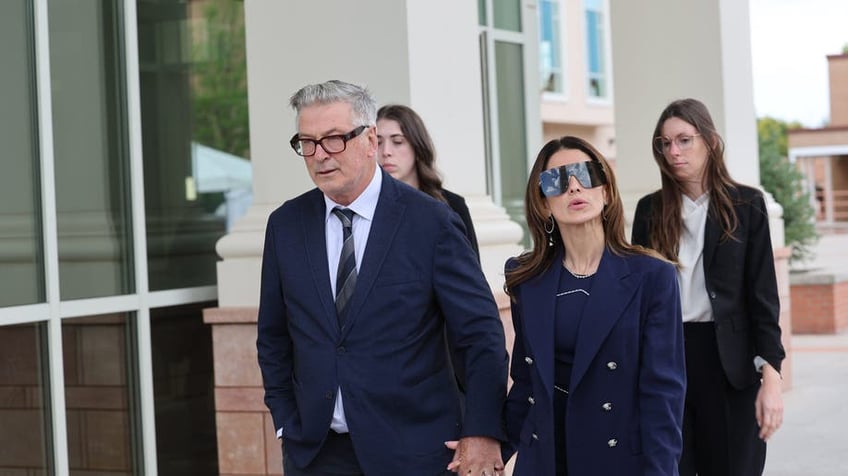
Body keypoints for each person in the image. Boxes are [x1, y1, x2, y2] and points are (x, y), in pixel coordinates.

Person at [256, 79, 508, 476]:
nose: (320, 155)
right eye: (307, 142)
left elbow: (480, 334)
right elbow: (273, 335)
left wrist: (482, 430)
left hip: (415, 451)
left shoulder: (432, 220)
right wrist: (286, 418)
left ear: (370, 139)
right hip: (317, 454)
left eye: (334, 139)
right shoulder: (285, 224)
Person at [501, 136, 686, 475]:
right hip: (544, 457)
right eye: (555, 180)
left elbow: (663, 394)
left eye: (586, 174)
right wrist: (489, 447)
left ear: (606, 191)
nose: (573, 187)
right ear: (543, 203)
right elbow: (526, 382)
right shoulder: (526, 278)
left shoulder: (652, 277)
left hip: (616, 458)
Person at [631, 98, 785, 476]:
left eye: (684, 140)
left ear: (710, 141)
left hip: (730, 365)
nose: (673, 151)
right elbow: (635, 298)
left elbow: (763, 296)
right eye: (664, 143)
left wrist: (773, 379)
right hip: (667, 358)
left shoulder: (747, 205)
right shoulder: (650, 210)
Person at [376, 104, 480, 260]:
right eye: (378, 143)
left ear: (417, 147)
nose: (386, 152)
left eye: (397, 142)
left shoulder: (452, 205)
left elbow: (471, 274)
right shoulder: (368, 207)